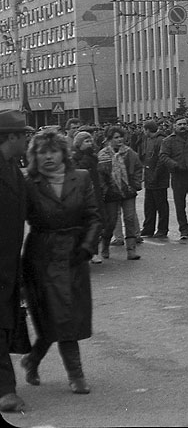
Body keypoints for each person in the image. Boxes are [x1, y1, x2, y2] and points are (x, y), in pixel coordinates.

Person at [21, 128, 102, 397]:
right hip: (41, 256)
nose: (48, 157)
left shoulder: (81, 178)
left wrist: (87, 247)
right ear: (34, 156)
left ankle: (37, 361)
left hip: (74, 254)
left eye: (53, 151)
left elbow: (93, 216)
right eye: (42, 152)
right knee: (53, 317)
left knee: (67, 317)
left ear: (63, 153)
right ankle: (73, 374)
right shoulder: (28, 183)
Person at [0, 111, 33, 414]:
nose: (27, 139)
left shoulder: (13, 166)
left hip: (9, 261)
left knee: (6, 320)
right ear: (11, 137)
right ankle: (5, 390)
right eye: (24, 135)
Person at [96, 126, 143, 262]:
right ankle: (105, 245)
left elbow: (138, 168)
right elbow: (100, 175)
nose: (119, 140)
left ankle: (131, 250)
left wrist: (135, 184)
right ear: (109, 139)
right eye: (116, 137)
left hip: (128, 192)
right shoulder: (103, 155)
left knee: (129, 219)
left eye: (121, 137)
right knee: (111, 222)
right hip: (111, 194)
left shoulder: (130, 153)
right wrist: (105, 189)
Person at [138, 121, 169, 238]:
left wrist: (155, 176)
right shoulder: (149, 140)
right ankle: (148, 228)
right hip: (149, 178)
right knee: (149, 205)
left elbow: (161, 160)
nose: (143, 131)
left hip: (158, 179)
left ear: (147, 129)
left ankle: (162, 229)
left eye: (143, 129)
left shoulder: (160, 140)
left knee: (161, 206)